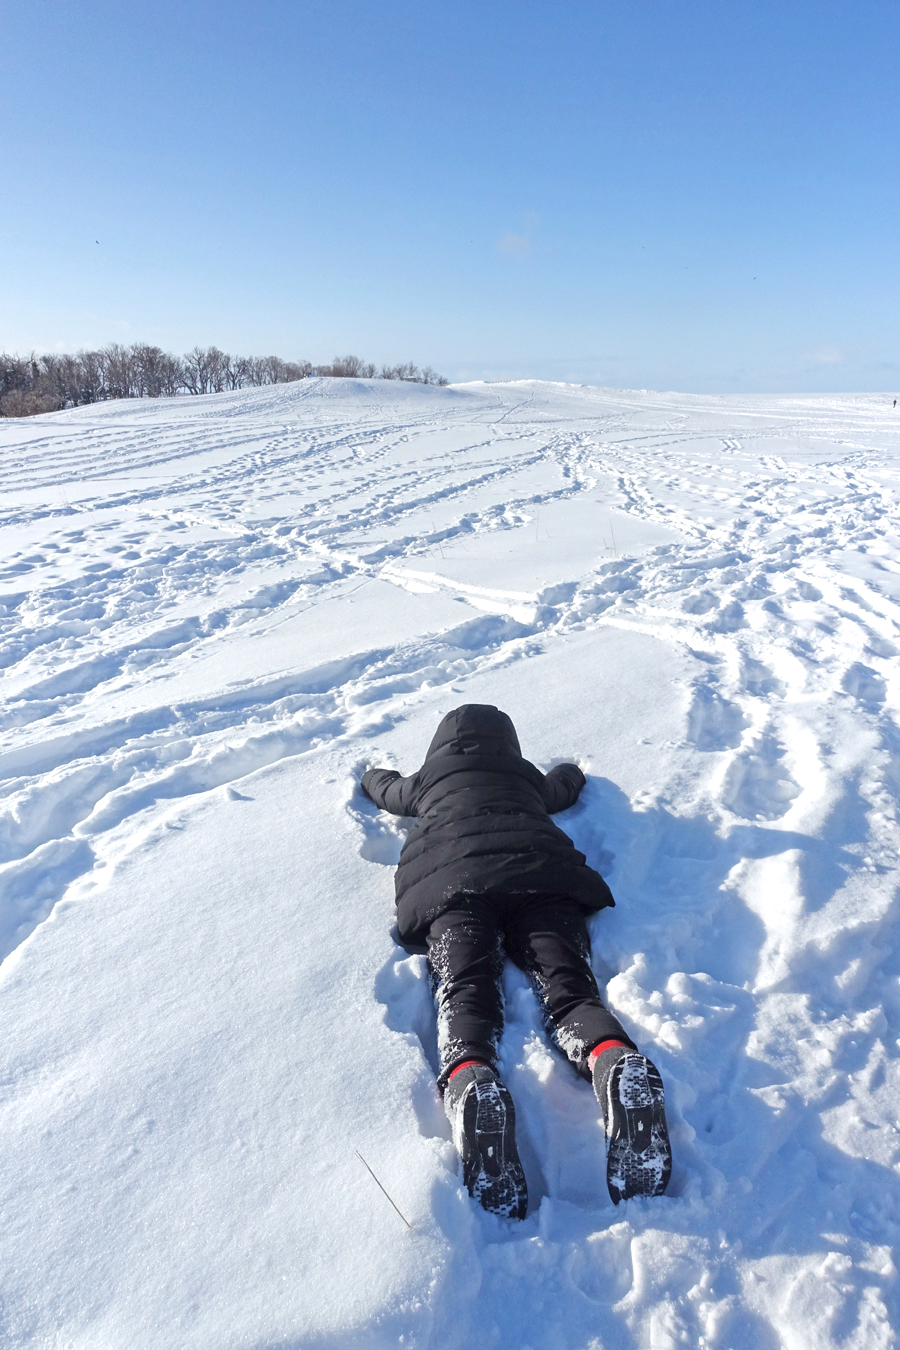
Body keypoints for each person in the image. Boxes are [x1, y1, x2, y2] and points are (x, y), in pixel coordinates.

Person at [361, 704, 671, 1219]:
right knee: (569, 989)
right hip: (539, 877)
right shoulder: (524, 777)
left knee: (465, 990)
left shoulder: (426, 781)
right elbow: (563, 788)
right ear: (509, 746)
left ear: (438, 746)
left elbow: (386, 791)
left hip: (453, 888)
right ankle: (613, 1058)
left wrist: (372, 773)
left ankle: (470, 1076)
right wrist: (570, 769)